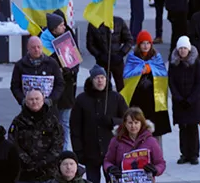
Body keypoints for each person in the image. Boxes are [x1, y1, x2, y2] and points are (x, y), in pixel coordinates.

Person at [70, 65, 127, 183]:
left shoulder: (116, 98)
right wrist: (78, 151)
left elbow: (127, 120)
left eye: (102, 77)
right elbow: (75, 127)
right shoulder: (82, 100)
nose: (100, 80)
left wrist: (112, 121)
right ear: (91, 80)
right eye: (97, 78)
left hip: (112, 153)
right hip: (91, 151)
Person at [123, 31, 172, 136]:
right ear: (139, 44)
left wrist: (151, 69)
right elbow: (127, 75)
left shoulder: (156, 57)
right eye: (143, 43)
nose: (145, 46)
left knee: (155, 131)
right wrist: (140, 69)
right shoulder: (132, 58)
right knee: (137, 128)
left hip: (153, 100)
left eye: (148, 43)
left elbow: (162, 74)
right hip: (137, 99)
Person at [168, 35, 200, 165]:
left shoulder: (195, 62)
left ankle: (194, 154)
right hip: (180, 102)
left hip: (193, 102)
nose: (182, 51)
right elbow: (171, 81)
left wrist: (191, 99)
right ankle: (184, 153)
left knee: (193, 128)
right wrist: (178, 97)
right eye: (181, 48)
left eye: (185, 48)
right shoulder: (174, 63)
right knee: (182, 128)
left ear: (189, 49)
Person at [45, 13, 79, 151]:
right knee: (52, 123)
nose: (64, 27)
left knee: (65, 123)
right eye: (61, 25)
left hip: (67, 90)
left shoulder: (67, 40)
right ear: (53, 29)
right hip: (51, 92)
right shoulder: (44, 44)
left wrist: (69, 71)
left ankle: (66, 153)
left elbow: (75, 63)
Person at [10, 35, 64, 110]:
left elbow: (60, 84)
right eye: (33, 47)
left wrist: (51, 100)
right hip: (28, 108)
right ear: (28, 48)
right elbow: (14, 86)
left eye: (39, 47)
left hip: (49, 108)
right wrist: (23, 100)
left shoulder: (52, 63)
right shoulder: (20, 65)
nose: (36, 49)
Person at [86, 15, 134, 91]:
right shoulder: (93, 24)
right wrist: (99, 55)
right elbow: (90, 44)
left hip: (117, 61)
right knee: (103, 87)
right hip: (102, 62)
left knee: (122, 87)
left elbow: (129, 40)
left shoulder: (119, 22)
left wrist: (121, 54)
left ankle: (122, 102)